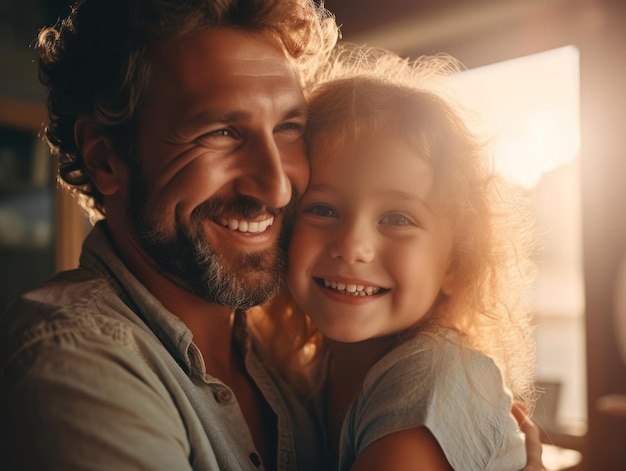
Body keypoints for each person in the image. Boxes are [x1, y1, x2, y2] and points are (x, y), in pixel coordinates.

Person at [0, 0, 545, 469]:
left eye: (288, 128)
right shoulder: (77, 362)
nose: (277, 186)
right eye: (221, 131)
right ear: (106, 159)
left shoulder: (283, 361)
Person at [279, 47, 539, 470]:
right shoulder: (312, 373)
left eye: (397, 218)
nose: (352, 245)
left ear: (456, 262)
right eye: (323, 209)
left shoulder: (431, 376)